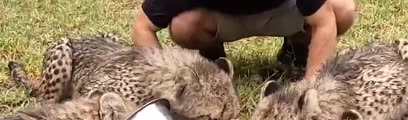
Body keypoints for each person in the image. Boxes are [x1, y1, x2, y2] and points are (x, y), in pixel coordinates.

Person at [132, 0, 356, 81]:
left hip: (283, 10)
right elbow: (143, 26)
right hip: (222, 18)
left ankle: (297, 50)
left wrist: (312, 86)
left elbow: (324, 21)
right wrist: (165, 83)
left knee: (342, 10)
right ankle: (214, 64)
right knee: (184, 27)